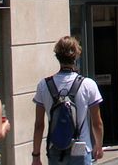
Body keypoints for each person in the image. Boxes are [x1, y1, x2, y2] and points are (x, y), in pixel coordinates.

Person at [32, 37, 103, 165]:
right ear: (76, 56)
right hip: (81, 148)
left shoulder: (44, 85)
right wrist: (98, 146)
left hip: (55, 147)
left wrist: (36, 155)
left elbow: (39, 125)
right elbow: (97, 123)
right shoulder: (88, 84)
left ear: (57, 57)